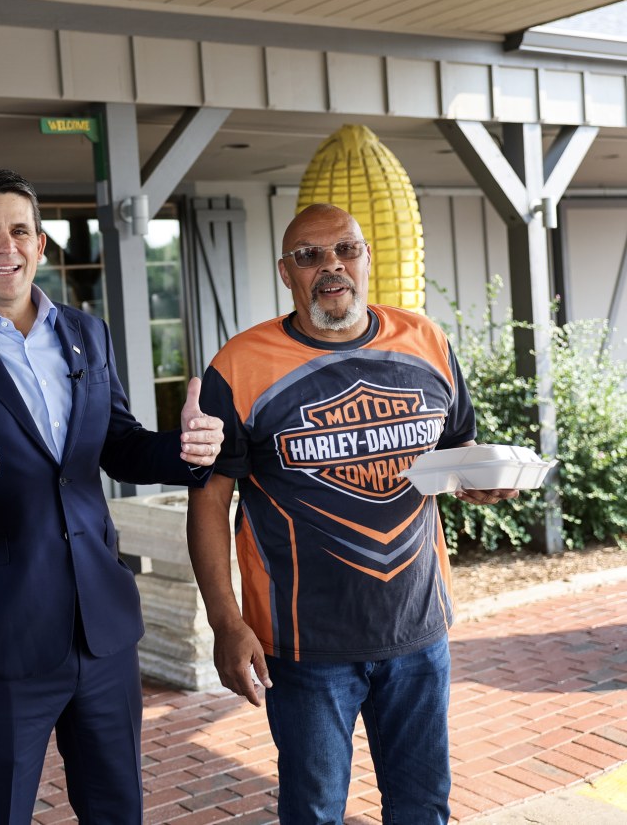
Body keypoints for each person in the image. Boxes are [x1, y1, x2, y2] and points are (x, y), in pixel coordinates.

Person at [0, 168, 226, 823]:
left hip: (102, 632)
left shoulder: (85, 333)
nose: (7, 244)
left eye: (21, 229)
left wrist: (184, 450)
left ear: (41, 244)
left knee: (118, 811)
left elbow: (118, 443)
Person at [186, 203, 519, 824]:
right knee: (314, 812)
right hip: (304, 643)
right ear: (286, 272)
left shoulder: (428, 341)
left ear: (366, 259)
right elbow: (208, 501)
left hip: (418, 630)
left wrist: (484, 477)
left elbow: (457, 446)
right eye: (309, 255)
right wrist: (226, 622)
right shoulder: (237, 365)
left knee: (423, 807)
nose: (331, 266)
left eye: (346, 250)